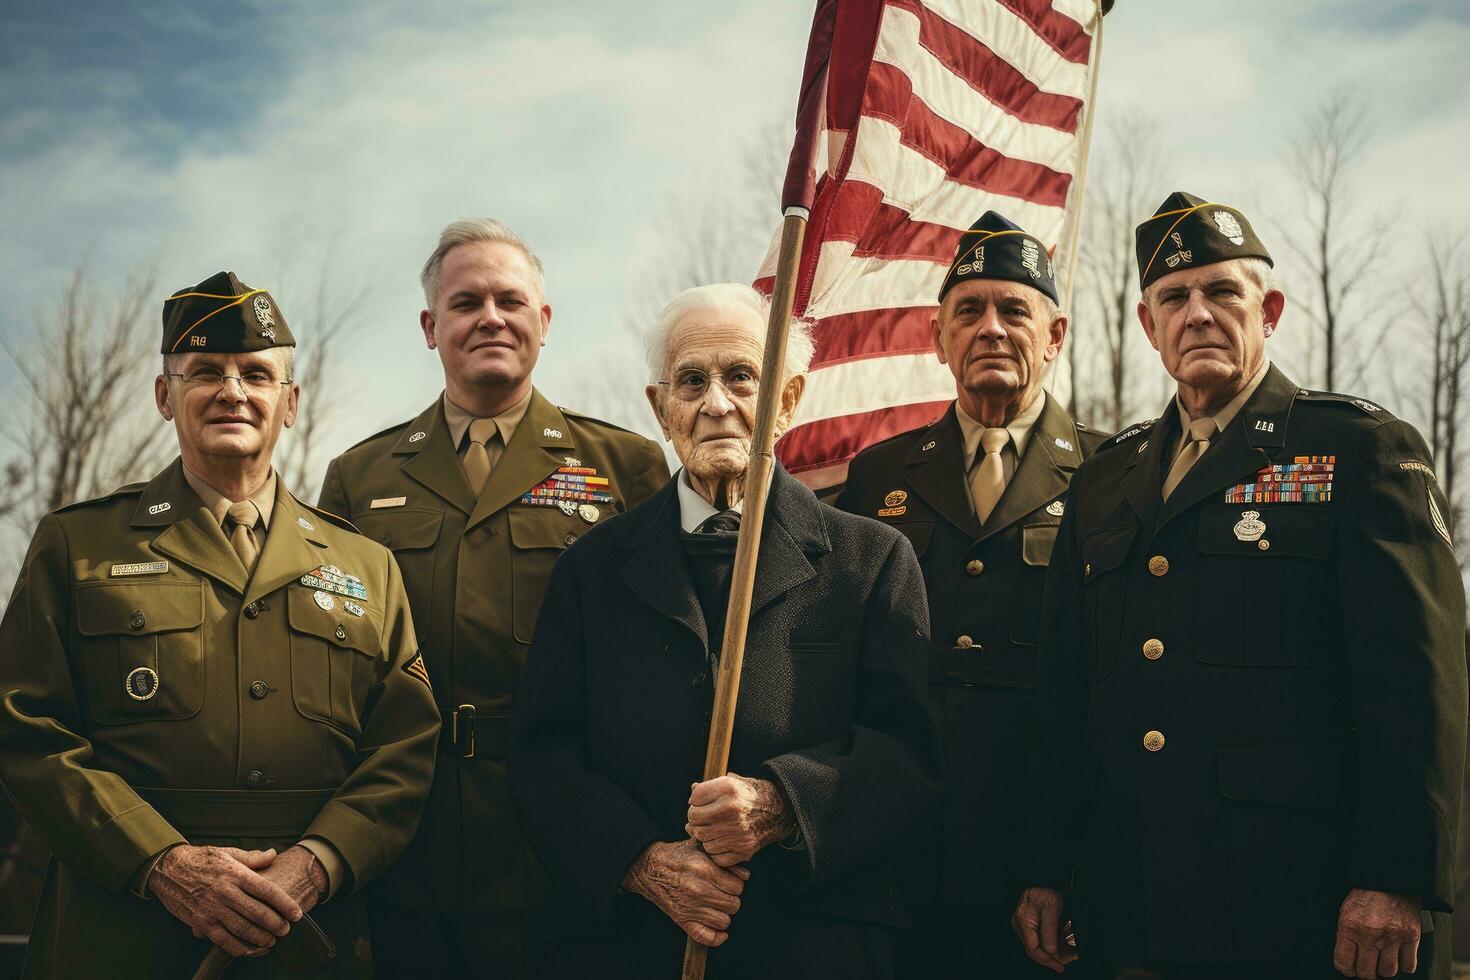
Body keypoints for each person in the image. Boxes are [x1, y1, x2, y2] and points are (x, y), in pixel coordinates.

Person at [1013, 192, 1468, 980]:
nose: (1198, 315)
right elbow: (1065, 697)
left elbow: (1420, 687)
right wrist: (1048, 866)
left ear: (1271, 310)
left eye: (1223, 292)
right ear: (1148, 327)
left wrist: (1397, 877)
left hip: (1297, 903)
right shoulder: (1104, 478)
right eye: (1174, 299)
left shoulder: (1356, 448)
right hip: (1134, 903)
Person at [0, 271, 440, 978]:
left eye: (256, 374)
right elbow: (24, 726)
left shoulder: (368, 565)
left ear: (290, 402)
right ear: (164, 396)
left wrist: (316, 864)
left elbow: (407, 749)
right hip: (122, 932)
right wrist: (161, 861)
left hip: (307, 935)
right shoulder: (78, 546)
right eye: (205, 371)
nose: (233, 390)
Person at [508, 283, 942, 979]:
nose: (716, 403)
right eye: (691, 380)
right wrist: (643, 865)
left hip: (815, 943)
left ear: (789, 400)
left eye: (743, 377)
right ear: (660, 408)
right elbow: (542, 756)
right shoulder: (590, 569)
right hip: (628, 945)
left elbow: (908, 753)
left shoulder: (872, 560)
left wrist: (781, 804)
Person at [317, 218, 669, 976]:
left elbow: (659, 665)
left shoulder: (626, 466)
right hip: (409, 836)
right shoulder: (360, 477)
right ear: (430, 326)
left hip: (566, 838)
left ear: (543, 322)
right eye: (466, 301)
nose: (490, 318)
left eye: (511, 300)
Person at [837, 211, 1104, 977]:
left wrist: (1074, 863)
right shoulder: (878, 477)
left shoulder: (1110, 473)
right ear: (938, 337)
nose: (992, 328)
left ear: (1054, 336)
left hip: (1041, 852)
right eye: (970, 311)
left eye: (1015, 310)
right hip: (900, 841)